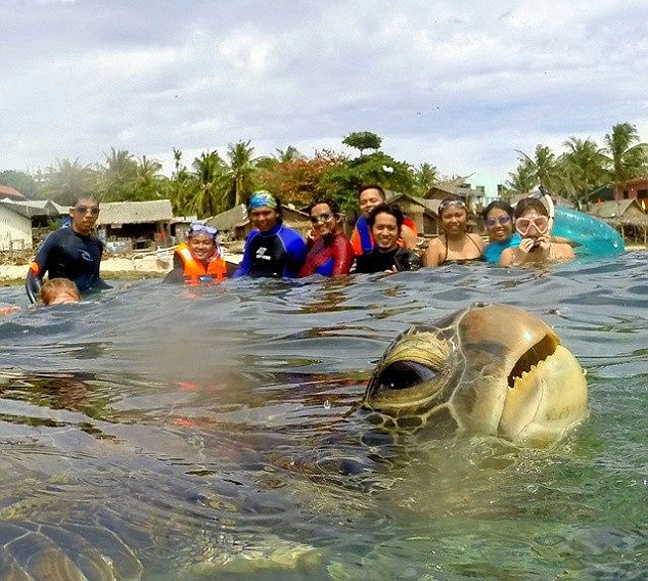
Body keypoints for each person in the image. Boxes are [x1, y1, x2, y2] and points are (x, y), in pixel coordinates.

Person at [25, 194, 109, 303]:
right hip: (62, 307)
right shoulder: (57, 237)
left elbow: (94, 280)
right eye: (82, 209)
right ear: (72, 212)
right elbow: (33, 277)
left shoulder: (97, 245)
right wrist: (41, 307)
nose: (89, 215)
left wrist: (117, 290)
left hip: (88, 306)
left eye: (94, 211)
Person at [232, 191, 307, 278]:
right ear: (249, 216)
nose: (261, 219)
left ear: (277, 213)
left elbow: (302, 275)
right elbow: (244, 268)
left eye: (266, 213)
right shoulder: (253, 236)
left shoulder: (293, 240)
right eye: (256, 214)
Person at [499, 197, 575, 266]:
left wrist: (547, 259)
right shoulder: (508, 256)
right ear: (516, 227)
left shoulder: (565, 251)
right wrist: (519, 261)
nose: (533, 232)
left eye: (539, 223)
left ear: (548, 224)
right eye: (525, 225)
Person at [350, 184, 418, 255]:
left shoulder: (403, 226)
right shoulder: (360, 227)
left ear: (384, 202)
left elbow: (413, 256)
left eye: (373, 200)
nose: (368, 204)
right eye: (363, 202)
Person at [355, 204, 421, 273]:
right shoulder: (364, 261)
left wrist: (400, 278)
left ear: (399, 231)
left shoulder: (408, 260)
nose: (385, 233)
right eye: (380, 227)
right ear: (371, 230)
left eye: (391, 228)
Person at [164, 223, 236, 285]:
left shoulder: (229, 269)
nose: (200, 247)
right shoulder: (176, 276)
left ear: (214, 246)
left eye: (206, 243)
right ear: (188, 244)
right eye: (196, 242)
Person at [423, 195, 484, 267]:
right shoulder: (434, 246)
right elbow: (428, 276)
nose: (454, 221)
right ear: (440, 221)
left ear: (467, 217)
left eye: (458, 215)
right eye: (448, 216)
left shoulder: (477, 240)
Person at [299, 197, 354, 277]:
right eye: (314, 220)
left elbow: (339, 283)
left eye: (325, 216)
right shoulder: (317, 240)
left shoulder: (342, 247)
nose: (319, 223)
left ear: (337, 218)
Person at [482, 200, 521, 264]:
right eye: (491, 222)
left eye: (503, 219)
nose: (498, 225)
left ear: (513, 219)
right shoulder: (487, 251)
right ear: (486, 225)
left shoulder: (522, 246)